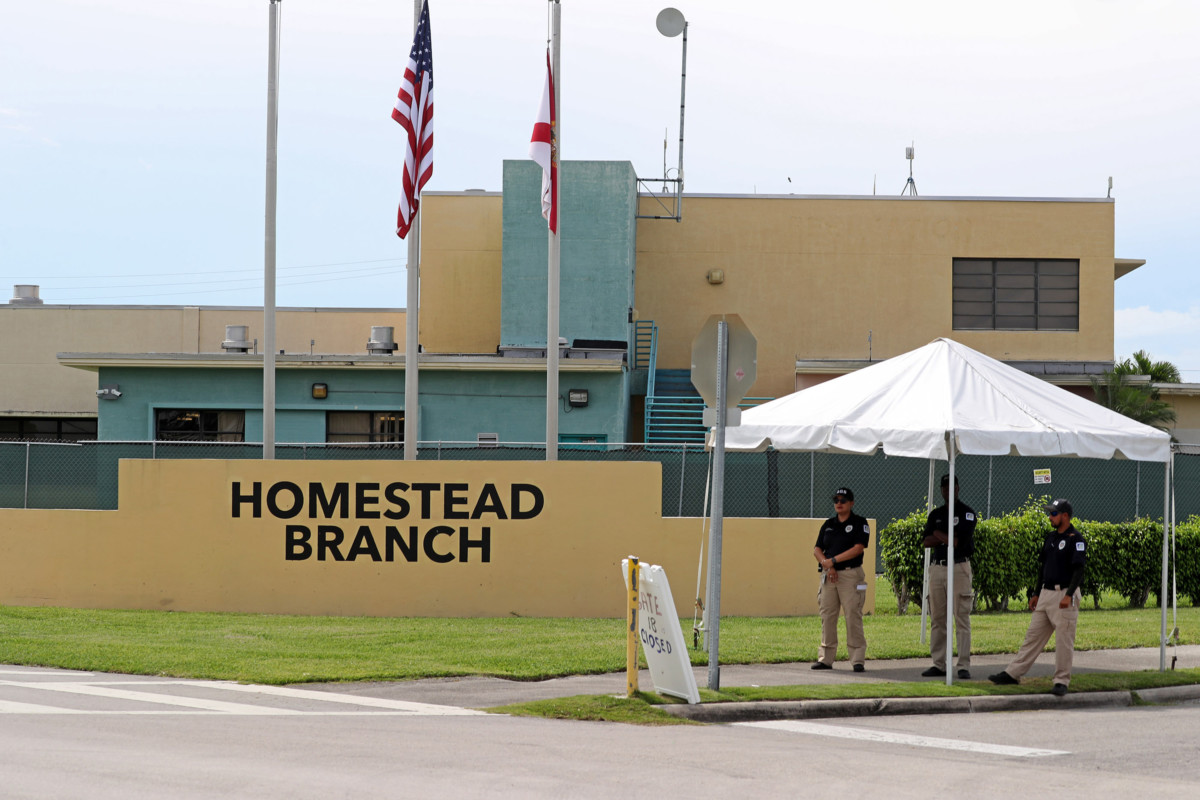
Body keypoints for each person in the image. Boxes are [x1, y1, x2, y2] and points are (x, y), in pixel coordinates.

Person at [989, 498, 1087, 696]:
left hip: (1064, 594)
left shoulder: (1076, 539)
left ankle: (1061, 681)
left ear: (1065, 516)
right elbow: (1043, 568)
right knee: (1032, 636)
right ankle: (1013, 674)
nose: (1050, 517)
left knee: (1064, 640)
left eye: (1053, 513)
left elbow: (1079, 570)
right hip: (1046, 593)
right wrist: (1035, 593)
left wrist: (1068, 595)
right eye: (1050, 513)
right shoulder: (1050, 538)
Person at [921, 474, 977, 679]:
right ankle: (939, 664)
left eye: (951, 486)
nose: (947, 490)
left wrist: (938, 534)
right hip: (938, 567)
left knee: (961, 617)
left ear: (957, 487)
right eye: (944, 487)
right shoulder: (935, 513)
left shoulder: (967, 513)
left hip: (958, 567)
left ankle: (963, 665)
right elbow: (926, 542)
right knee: (937, 618)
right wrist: (941, 536)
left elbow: (957, 542)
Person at [811, 486, 871, 672]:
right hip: (829, 576)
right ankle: (826, 658)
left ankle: (857, 659)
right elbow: (817, 549)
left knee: (852, 615)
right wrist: (827, 564)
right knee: (828, 616)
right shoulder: (828, 524)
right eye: (836, 500)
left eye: (843, 500)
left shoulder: (860, 522)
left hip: (850, 575)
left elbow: (858, 548)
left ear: (851, 503)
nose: (839, 503)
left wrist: (833, 561)